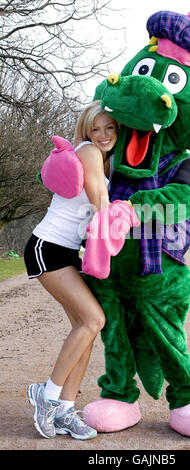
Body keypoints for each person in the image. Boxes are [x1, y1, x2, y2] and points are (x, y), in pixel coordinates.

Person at [24, 101, 118, 440]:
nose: (103, 135)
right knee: (94, 320)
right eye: (97, 128)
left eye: (110, 128)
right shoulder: (90, 151)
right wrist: (112, 224)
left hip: (66, 251)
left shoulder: (106, 157)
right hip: (46, 247)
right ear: (87, 130)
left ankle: (65, 410)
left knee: (85, 327)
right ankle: (46, 396)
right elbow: (98, 196)